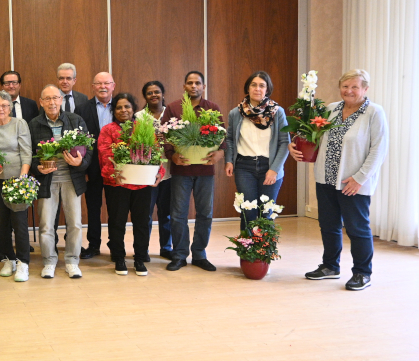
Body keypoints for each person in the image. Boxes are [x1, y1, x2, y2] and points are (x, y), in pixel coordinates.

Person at [291, 70, 388, 291]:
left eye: (354, 87)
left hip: (353, 182)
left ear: (365, 89)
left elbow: (378, 150)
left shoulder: (374, 112)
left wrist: (359, 178)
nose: (349, 91)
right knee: (328, 225)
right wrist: (294, 144)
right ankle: (330, 266)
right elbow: (311, 134)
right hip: (325, 177)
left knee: (357, 228)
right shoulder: (332, 109)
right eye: (345, 86)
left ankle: (362, 273)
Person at [161, 71, 226, 272]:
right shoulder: (173, 108)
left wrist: (220, 154)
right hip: (182, 170)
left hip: (206, 170)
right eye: (190, 83)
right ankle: (179, 255)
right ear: (184, 86)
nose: (194, 86)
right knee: (178, 214)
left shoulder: (212, 109)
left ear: (203, 87)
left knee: (205, 213)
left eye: (198, 83)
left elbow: (223, 136)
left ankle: (199, 254)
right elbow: (164, 136)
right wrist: (172, 155)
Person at [29, 84, 91, 278]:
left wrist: (81, 162)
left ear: (61, 100)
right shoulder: (34, 124)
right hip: (47, 180)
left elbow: (89, 149)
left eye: (55, 98)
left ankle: (72, 260)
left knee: (75, 223)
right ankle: (49, 261)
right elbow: (28, 154)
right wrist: (36, 167)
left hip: (72, 179)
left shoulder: (75, 120)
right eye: (47, 99)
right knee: (46, 224)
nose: (52, 102)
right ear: (41, 102)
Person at [98, 93, 163, 277]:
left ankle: (140, 258)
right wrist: (114, 174)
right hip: (117, 185)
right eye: (119, 107)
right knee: (117, 222)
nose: (123, 110)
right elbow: (105, 156)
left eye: (127, 106)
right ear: (113, 110)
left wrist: (158, 174)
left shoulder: (144, 128)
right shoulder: (108, 130)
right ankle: (119, 258)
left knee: (142, 223)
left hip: (142, 185)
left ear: (134, 109)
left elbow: (156, 154)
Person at [224, 71, 290, 229]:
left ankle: (265, 253)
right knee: (248, 211)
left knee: (266, 212)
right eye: (254, 85)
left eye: (262, 85)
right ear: (247, 88)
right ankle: (247, 253)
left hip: (269, 166)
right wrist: (228, 160)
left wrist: (274, 169)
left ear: (267, 89)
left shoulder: (277, 112)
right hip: (244, 167)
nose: (257, 89)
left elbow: (284, 143)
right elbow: (230, 139)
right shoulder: (236, 113)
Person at [0, 91, 33, 282]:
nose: (0, 109)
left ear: (10, 108)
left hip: (17, 181)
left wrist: (22, 179)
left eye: (4, 106)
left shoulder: (20, 124)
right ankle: (8, 259)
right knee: (0, 223)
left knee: (19, 223)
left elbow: (26, 153)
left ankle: (23, 263)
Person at [77, 72, 116, 259]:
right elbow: (78, 141)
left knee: (116, 208)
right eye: (99, 83)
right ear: (93, 86)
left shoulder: (122, 107)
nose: (103, 87)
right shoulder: (82, 109)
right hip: (92, 168)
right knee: (93, 208)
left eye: (107, 83)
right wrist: (82, 167)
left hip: (117, 168)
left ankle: (116, 245)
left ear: (113, 86)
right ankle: (93, 245)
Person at [135, 81, 173, 260]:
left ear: (163, 93)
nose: (153, 95)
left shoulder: (171, 114)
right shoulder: (139, 116)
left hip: (170, 171)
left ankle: (166, 248)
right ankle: (144, 250)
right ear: (145, 96)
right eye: (149, 93)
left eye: (157, 92)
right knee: (146, 214)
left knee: (166, 213)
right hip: (148, 173)